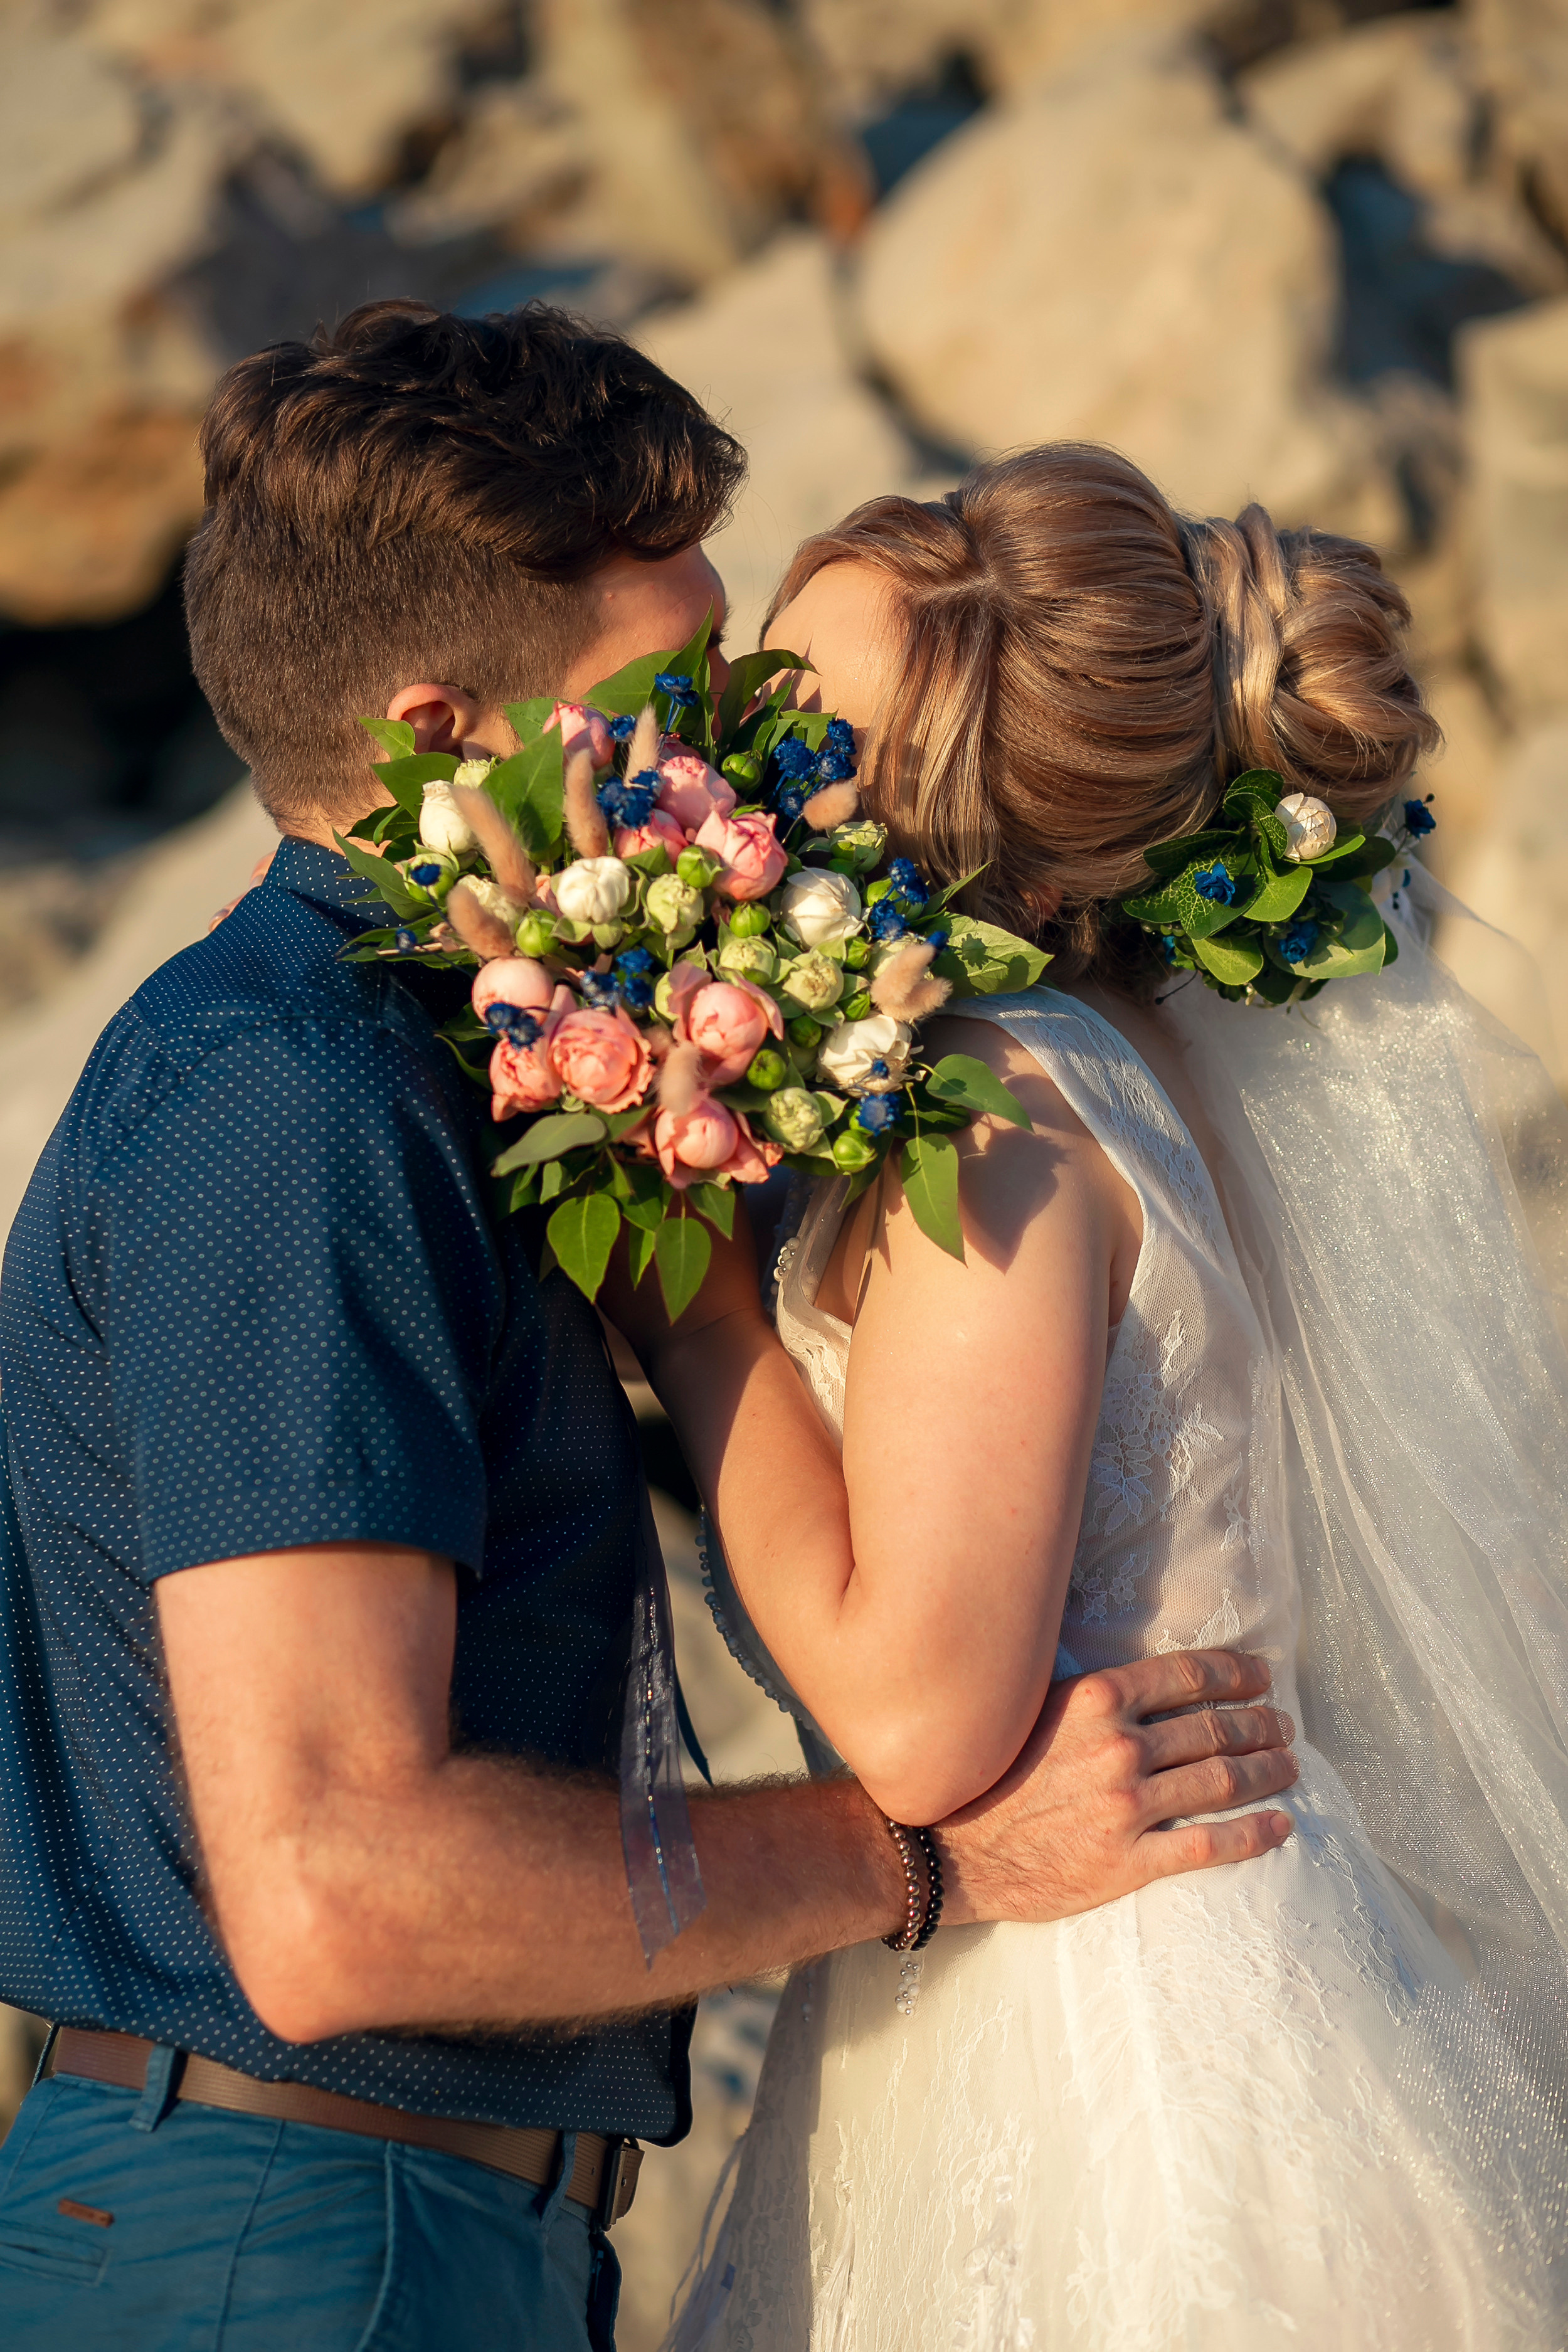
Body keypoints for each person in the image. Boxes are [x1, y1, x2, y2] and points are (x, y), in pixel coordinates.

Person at [0, 312, 1296, 2351]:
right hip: (290, 2235)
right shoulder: (293, 1107)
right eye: (670, 701)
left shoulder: (466, 1068)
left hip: (407, 2231)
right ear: (445, 733)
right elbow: (338, 1887)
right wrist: (929, 1860)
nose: (735, 767)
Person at [632, 447, 1568, 2349]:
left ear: (986, 858)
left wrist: (699, 1312)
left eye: (803, 746)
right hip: (1076, 1964)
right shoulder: (1080, 1050)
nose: (722, 778)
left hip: (1129, 2050)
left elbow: (911, 1724)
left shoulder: (997, 1120)